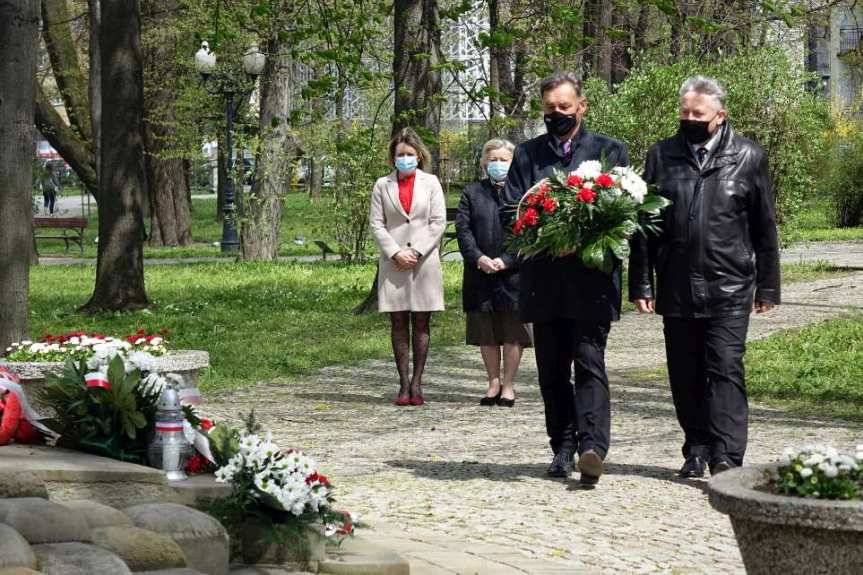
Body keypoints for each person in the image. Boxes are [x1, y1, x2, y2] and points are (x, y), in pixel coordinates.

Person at [628, 76, 780, 478]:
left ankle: (727, 455)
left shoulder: (748, 156)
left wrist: (768, 284)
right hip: (677, 284)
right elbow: (646, 225)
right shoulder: (662, 155)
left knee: (725, 367)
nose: (690, 119)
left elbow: (764, 227)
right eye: (685, 113)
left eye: (698, 114)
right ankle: (695, 447)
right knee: (685, 370)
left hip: (729, 285)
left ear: (720, 115)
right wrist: (642, 283)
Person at [504, 73, 629, 486]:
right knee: (552, 370)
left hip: (592, 280)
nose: (557, 114)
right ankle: (562, 444)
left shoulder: (610, 151)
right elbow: (512, 210)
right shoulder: (527, 154)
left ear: (582, 106)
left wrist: (579, 239)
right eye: (550, 108)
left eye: (564, 106)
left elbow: (623, 210)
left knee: (589, 362)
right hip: (545, 280)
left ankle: (593, 447)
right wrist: (542, 237)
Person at [369, 127, 446, 406]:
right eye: (400, 154)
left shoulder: (431, 183)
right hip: (394, 263)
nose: (405, 158)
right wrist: (395, 252)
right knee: (398, 322)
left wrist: (416, 251)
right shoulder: (382, 185)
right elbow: (377, 224)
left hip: (424, 262)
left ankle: (418, 382)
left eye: (410, 154)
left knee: (422, 322)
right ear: (393, 157)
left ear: (419, 156)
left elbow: (438, 222)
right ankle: (402, 383)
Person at [456, 138, 532, 408]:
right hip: (479, 273)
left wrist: (506, 260)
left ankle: (509, 385)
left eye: (503, 160)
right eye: (493, 160)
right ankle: (493, 382)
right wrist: (478, 258)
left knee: (513, 333)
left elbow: (528, 233)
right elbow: (463, 231)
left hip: (512, 275)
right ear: (484, 162)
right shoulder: (472, 192)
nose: (497, 164)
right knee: (486, 333)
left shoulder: (523, 193)